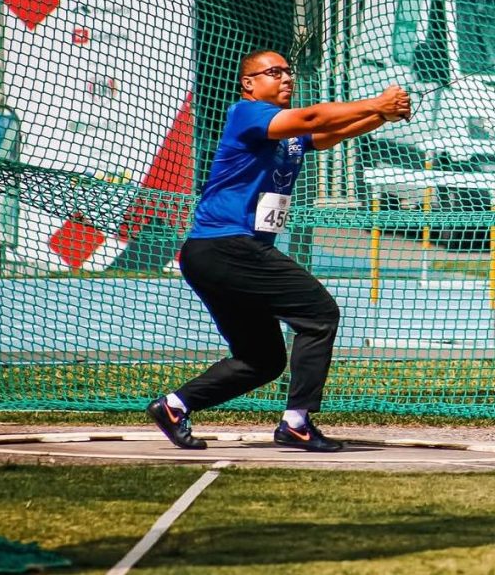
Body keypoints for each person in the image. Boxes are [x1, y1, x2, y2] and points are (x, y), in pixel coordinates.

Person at [148, 50, 411, 452]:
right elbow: (314, 118)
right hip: (226, 246)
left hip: (219, 254)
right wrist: (377, 101)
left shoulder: (285, 134)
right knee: (319, 315)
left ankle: (174, 406)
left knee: (261, 360)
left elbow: (328, 134)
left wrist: (382, 116)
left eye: (288, 72)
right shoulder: (247, 113)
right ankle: (296, 423)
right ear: (249, 84)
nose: (286, 78)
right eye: (274, 72)